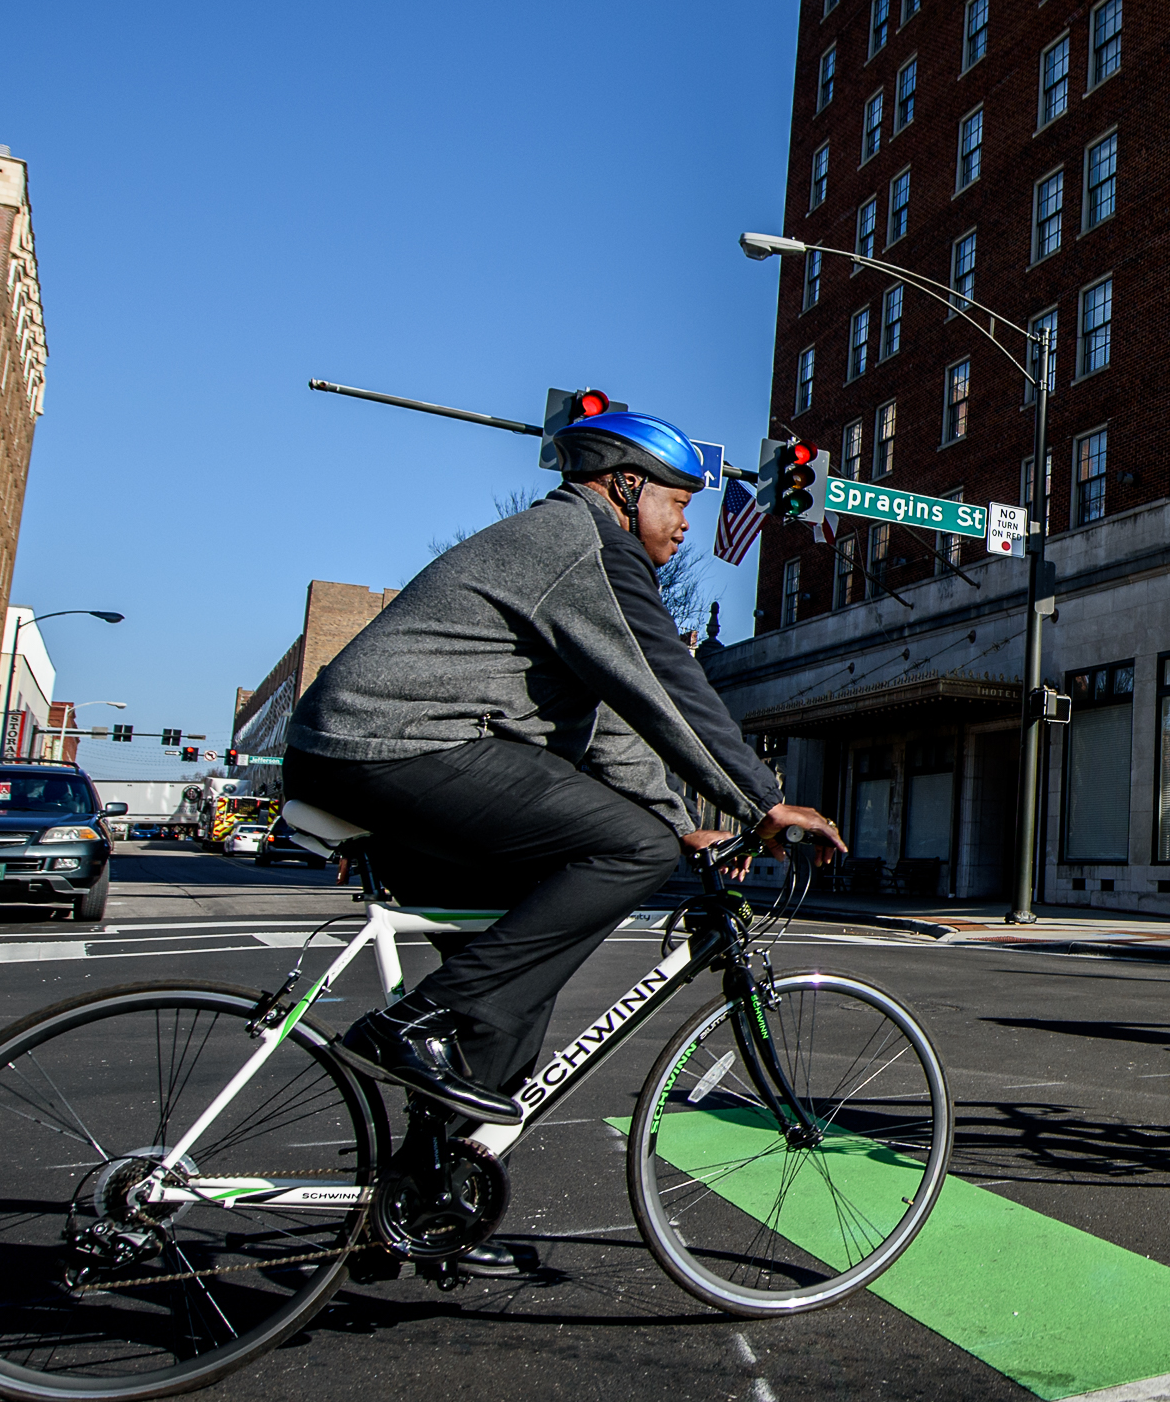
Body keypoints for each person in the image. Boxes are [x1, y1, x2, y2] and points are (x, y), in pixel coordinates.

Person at [287, 406, 843, 1150]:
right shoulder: (588, 548)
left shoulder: (568, 557)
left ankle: (428, 1195)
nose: (684, 526)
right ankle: (408, 1023)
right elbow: (665, 685)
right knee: (632, 850)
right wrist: (765, 802)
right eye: (677, 502)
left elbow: (611, 716)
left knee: (508, 1003)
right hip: (396, 747)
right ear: (624, 486)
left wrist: (681, 819)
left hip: (374, 753)